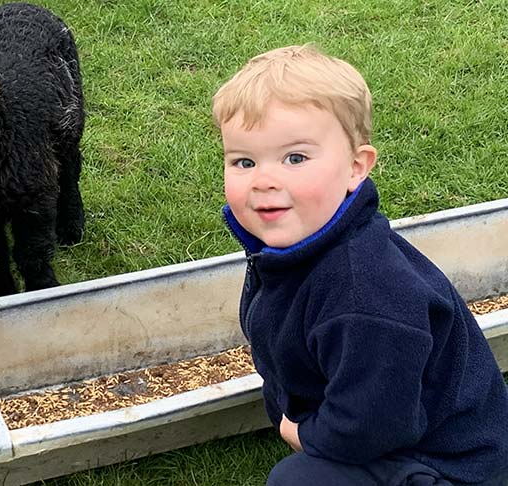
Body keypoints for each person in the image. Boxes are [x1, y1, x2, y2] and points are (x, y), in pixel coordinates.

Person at [212, 44, 508, 485]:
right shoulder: (293, 248)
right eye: (244, 161)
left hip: (448, 461)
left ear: (356, 167)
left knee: (298, 480)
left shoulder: (365, 294)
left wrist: (303, 432)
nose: (263, 180)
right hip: (391, 421)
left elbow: (375, 424)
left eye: (295, 158)